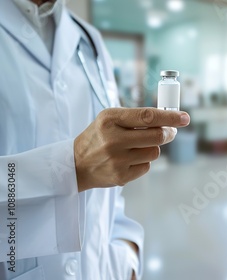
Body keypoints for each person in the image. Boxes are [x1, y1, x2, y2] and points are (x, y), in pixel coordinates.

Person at [0, 1, 190, 279]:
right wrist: (71, 168)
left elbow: (110, 192)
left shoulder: (90, 40)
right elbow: (87, 165)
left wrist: (127, 257)